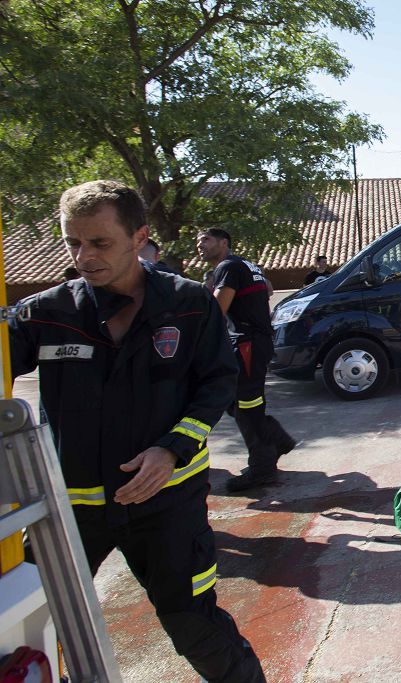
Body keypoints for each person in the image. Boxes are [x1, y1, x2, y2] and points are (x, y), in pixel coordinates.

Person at [9, 180, 265, 682]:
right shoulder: (46, 314)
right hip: (70, 511)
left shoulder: (190, 304)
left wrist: (170, 450)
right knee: (26, 625)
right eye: (72, 243)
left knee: (192, 623)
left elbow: (217, 383)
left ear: (139, 236)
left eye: (99, 243)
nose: (84, 256)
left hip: (167, 503)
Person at [196, 228, 295, 492]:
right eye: (198, 241)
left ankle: (262, 468)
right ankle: (276, 438)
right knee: (235, 401)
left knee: (247, 406)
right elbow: (269, 291)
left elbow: (216, 312)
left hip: (248, 343)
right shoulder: (248, 265)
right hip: (253, 342)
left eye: (205, 240)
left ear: (223, 242)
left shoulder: (227, 266)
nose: (199, 245)